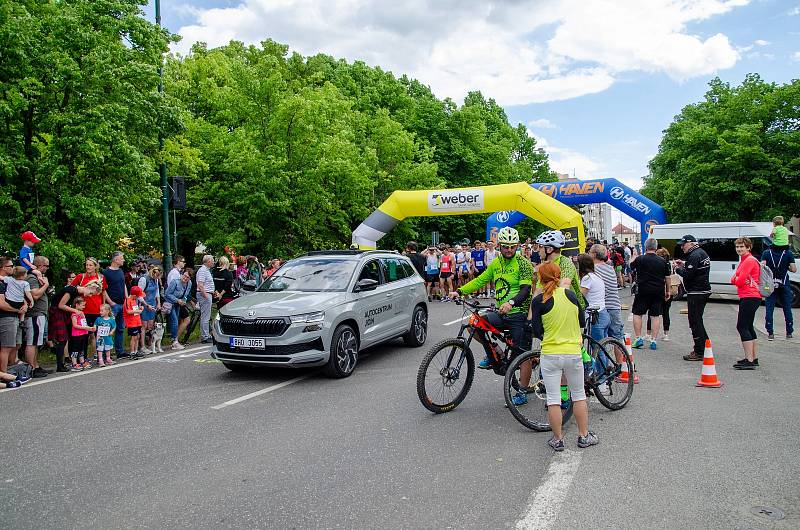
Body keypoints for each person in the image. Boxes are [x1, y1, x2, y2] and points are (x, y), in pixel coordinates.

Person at [452, 227, 534, 406]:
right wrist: (460, 291)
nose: (509, 250)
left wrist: (511, 303)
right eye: (506, 247)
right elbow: (481, 280)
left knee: (522, 354)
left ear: (518, 246)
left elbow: (526, 289)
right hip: (500, 312)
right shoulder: (496, 263)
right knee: (475, 324)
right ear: (500, 246)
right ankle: (493, 352)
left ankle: (522, 391)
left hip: (519, 313)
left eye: (513, 247)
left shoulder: (524, 264)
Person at [529, 261, 597, 451]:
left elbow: (536, 330)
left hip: (550, 353)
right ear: (558, 276)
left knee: (553, 398)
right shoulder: (570, 295)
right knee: (578, 395)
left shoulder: (539, 300)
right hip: (573, 352)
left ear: (541, 279)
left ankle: (557, 439)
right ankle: (584, 436)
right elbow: (582, 321)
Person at [48, 279, 103, 371]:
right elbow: (61, 305)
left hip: (64, 313)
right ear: (90, 287)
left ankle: (65, 362)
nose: (89, 296)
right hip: (57, 312)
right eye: (90, 293)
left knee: (65, 339)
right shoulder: (71, 290)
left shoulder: (77, 293)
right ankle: (60, 365)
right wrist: (75, 311)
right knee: (62, 339)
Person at [674, 235, 712, 361]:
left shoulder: (695, 255)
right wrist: (684, 264)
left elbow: (689, 274)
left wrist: (677, 269)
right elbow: (695, 267)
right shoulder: (700, 253)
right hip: (701, 290)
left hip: (697, 291)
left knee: (694, 321)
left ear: (690, 244)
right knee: (697, 320)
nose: (681, 247)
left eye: (683, 244)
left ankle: (700, 351)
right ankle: (705, 347)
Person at [629, 238, 670, 350]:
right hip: (658, 290)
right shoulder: (662, 261)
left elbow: (630, 266)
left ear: (646, 247)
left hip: (642, 290)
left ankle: (638, 338)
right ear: (656, 247)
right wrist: (668, 290)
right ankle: (653, 340)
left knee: (637, 313)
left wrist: (633, 256)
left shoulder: (640, 259)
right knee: (656, 315)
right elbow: (667, 277)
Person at [731, 237, 762, 370]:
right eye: (737, 247)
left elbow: (738, 281)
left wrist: (736, 278)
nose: (739, 249)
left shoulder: (748, 261)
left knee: (742, 326)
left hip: (750, 295)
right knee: (748, 326)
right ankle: (753, 358)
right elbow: (735, 279)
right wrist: (736, 278)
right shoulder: (746, 260)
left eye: (742, 247)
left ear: (748, 247)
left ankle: (749, 360)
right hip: (751, 296)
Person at [535, 230, 585, 309]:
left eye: (540, 246)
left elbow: (564, 287)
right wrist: (529, 318)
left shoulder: (565, 263)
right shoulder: (544, 265)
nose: (537, 249)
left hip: (573, 309)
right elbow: (538, 292)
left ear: (549, 249)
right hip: (552, 307)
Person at [72, 257, 108, 361]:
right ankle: (83, 357)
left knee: (100, 333)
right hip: (84, 311)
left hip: (98, 310)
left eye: (90, 265)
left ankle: (101, 356)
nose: (88, 267)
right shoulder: (81, 277)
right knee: (84, 335)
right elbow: (71, 289)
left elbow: (104, 292)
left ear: (95, 266)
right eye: (87, 265)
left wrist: (104, 306)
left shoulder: (101, 277)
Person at [762, 243, 796, 340]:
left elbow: (762, 267)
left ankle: (770, 333)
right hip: (784, 284)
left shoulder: (766, 253)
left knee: (769, 308)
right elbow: (793, 269)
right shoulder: (788, 253)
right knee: (787, 308)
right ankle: (789, 332)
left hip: (770, 284)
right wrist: (786, 267)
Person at [589, 244, 623, 340]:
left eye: (590, 252)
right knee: (617, 338)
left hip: (601, 309)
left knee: (598, 341)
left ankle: (601, 355)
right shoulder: (610, 268)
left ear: (594, 254)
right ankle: (622, 355)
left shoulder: (593, 270)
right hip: (615, 306)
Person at [25, 256, 51, 377]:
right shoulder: (32, 277)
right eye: (46, 266)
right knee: (32, 342)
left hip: (40, 314)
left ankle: (36, 365)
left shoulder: (38, 277)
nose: (47, 268)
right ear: (40, 265)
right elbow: (35, 295)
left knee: (37, 342)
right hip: (34, 314)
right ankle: (31, 368)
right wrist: (45, 285)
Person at [0, 258, 27, 372]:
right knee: (5, 348)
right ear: (3, 268)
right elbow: (1, 304)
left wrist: (25, 304)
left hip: (13, 317)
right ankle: (4, 374)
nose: (13, 268)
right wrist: (17, 310)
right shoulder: (1, 284)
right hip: (6, 317)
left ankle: (10, 369)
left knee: (13, 345)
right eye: (11, 266)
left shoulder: (11, 281)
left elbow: (21, 295)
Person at [102, 251, 128, 358]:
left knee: (120, 328)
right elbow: (104, 288)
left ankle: (119, 351)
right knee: (108, 328)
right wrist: (110, 302)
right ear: (116, 260)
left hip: (122, 303)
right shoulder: (106, 272)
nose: (123, 260)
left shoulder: (121, 271)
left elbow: (124, 285)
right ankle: (104, 352)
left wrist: (127, 298)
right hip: (113, 304)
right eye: (122, 258)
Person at [577, 253, 608, 343]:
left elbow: (580, 297)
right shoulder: (596, 276)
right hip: (603, 312)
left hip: (596, 316)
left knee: (597, 347)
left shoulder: (587, 278)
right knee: (602, 347)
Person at [647, 248, 673, 341]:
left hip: (658, 290)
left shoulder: (657, 264)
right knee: (666, 313)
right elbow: (669, 278)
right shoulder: (669, 264)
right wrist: (668, 290)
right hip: (668, 290)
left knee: (653, 313)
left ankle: (649, 334)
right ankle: (666, 334)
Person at [165, 267, 193, 350]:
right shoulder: (175, 282)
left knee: (176, 321)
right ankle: (174, 342)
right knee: (174, 321)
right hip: (170, 303)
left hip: (178, 304)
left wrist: (184, 300)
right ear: (182, 274)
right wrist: (177, 300)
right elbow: (167, 294)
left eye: (187, 277)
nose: (185, 278)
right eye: (184, 275)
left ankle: (175, 340)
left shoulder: (189, 283)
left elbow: (186, 294)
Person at [138, 265, 162, 354]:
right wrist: (146, 304)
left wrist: (158, 303)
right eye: (157, 275)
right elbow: (139, 294)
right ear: (153, 273)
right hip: (144, 304)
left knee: (150, 326)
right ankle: (142, 346)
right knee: (144, 326)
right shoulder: (144, 279)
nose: (157, 277)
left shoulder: (155, 280)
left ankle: (150, 344)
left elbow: (157, 292)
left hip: (153, 304)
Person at [69, 297, 95, 370]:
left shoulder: (82, 313)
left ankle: (82, 362)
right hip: (76, 335)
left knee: (82, 348)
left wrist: (89, 328)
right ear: (77, 305)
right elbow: (75, 325)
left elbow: (84, 323)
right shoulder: (74, 314)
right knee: (75, 349)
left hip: (83, 333)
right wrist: (85, 328)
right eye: (82, 305)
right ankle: (74, 363)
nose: (84, 307)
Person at [196, 254, 215, 343]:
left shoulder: (205, 270)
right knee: (205, 316)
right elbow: (200, 284)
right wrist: (206, 295)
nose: (213, 262)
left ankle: (206, 334)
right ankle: (205, 336)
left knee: (206, 316)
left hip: (207, 293)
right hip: (205, 295)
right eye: (212, 260)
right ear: (208, 261)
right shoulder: (203, 270)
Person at [123, 286, 145, 357]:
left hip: (137, 321)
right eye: (138, 296)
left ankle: (136, 351)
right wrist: (138, 311)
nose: (138, 297)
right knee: (134, 337)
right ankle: (132, 352)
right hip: (131, 323)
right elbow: (128, 311)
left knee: (138, 336)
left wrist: (140, 308)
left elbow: (134, 309)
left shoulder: (134, 300)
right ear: (134, 295)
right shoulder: (127, 300)